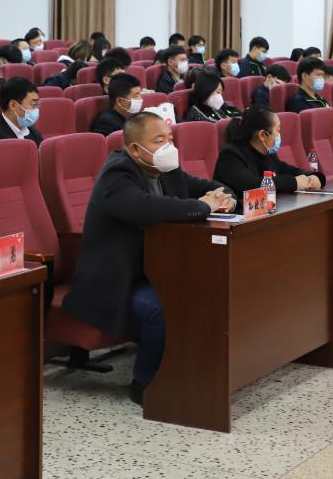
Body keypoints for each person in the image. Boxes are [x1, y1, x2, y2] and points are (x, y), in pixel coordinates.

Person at [62, 113, 234, 404]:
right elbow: (149, 208)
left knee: (206, 291)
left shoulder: (163, 168)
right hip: (114, 281)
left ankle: (191, 373)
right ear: (134, 149)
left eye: (170, 139)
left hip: (153, 269)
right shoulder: (117, 175)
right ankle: (146, 384)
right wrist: (204, 206)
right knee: (161, 308)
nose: (168, 146)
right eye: (159, 140)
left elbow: (203, 186)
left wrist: (224, 196)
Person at [213, 106, 323, 195]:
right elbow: (253, 185)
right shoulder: (230, 156)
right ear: (262, 135)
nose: (279, 135)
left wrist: (314, 176)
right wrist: (294, 182)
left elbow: (287, 170)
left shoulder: (267, 153)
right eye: (277, 130)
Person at [0, 77, 44, 146]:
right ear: (13, 105)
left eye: (37, 104)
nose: (36, 109)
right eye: (33, 104)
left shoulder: (35, 134)